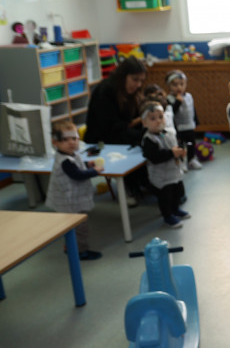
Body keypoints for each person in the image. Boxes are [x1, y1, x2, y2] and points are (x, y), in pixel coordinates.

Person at [84, 56, 147, 205]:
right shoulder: (105, 90)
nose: (138, 84)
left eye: (141, 81)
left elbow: (129, 119)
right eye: (135, 79)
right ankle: (129, 186)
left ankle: (145, 181)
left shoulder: (128, 91)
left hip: (117, 130)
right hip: (100, 140)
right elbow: (108, 126)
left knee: (149, 137)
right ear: (124, 76)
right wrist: (134, 124)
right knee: (136, 141)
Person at [46, 120, 105, 260]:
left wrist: (87, 164)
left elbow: (76, 166)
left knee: (71, 227)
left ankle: (70, 246)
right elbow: (77, 174)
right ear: (55, 142)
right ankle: (81, 252)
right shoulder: (65, 160)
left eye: (74, 138)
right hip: (69, 201)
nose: (71, 142)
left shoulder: (70, 155)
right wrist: (94, 171)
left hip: (69, 198)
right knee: (80, 228)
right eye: (65, 140)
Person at [140, 100, 191, 228]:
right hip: (161, 176)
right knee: (165, 197)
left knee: (177, 192)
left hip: (174, 171)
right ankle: (167, 216)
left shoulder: (169, 133)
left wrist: (181, 151)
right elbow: (154, 157)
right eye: (152, 119)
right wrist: (171, 153)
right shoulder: (149, 139)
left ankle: (175, 209)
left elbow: (176, 145)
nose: (158, 121)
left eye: (160, 117)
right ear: (144, 123)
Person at [165, 69, 202, 171]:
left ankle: (191, 159)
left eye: (182, 84)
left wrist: (196, 121)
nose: (179, 87)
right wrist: (177, 102)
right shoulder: (169, 99)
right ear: (169, 86)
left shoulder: (189, 96)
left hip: (189, 126)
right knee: (180, 146)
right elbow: (171, 112)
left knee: (191, 144)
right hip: (178, 128)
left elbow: (192, 109)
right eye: (175, 85)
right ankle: (181, 162)